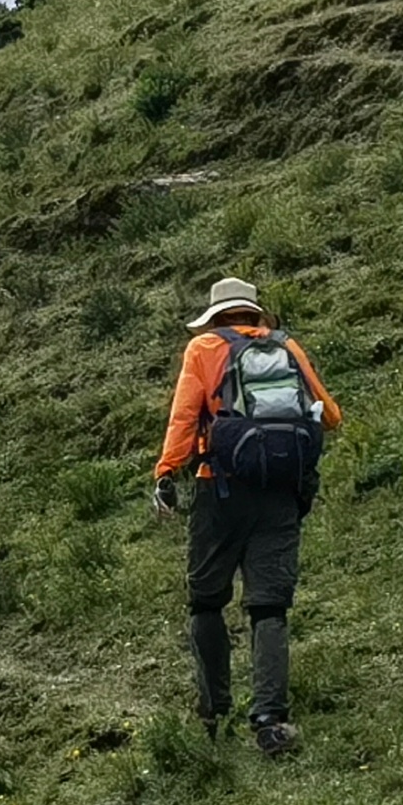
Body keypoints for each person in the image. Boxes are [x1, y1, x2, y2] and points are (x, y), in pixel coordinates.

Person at [153, 277, 340, 756]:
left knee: (207, 600)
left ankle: (213, 711)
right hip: (280, 491)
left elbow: (183, 417)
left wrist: (167, 472)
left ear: (216, 317)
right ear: (256, 315)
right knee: (269, 605)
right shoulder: (287, 346)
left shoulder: (204, 348)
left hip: (220, 488)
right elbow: (331, 415)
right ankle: (271, 721)